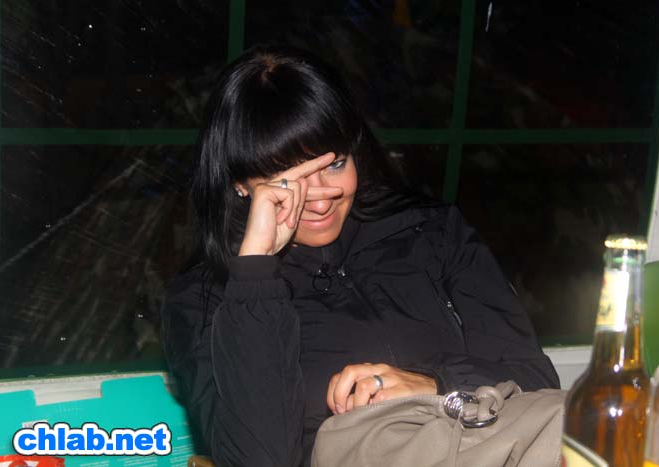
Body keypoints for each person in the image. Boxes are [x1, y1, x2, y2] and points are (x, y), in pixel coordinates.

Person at [160, 44, 560, 467]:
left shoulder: (431, 232)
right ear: (240, 184)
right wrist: (256, 274)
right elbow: (259, 461)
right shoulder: (205, 298)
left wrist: (433, 383)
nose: (320, 199)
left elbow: (534, 377)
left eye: (334, 165)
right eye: (286, 180)